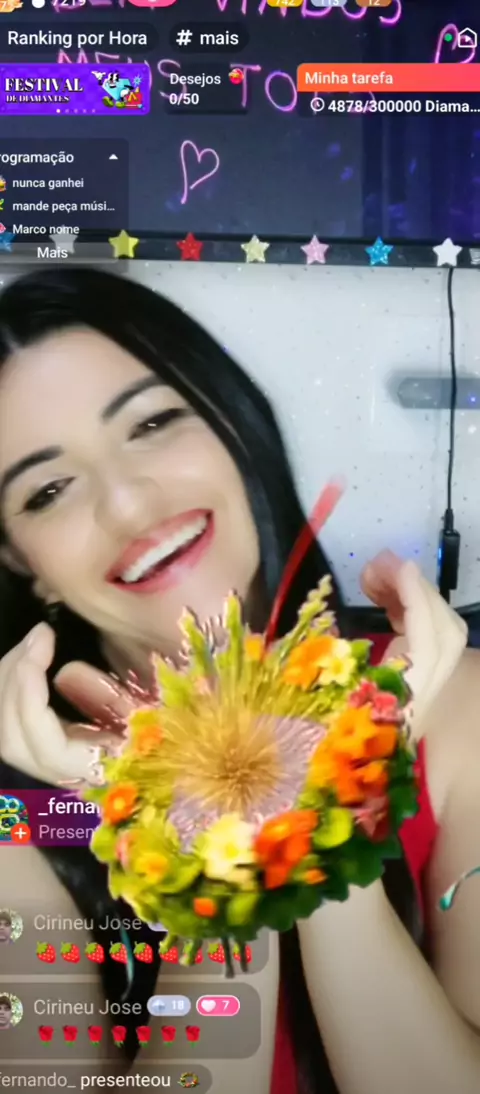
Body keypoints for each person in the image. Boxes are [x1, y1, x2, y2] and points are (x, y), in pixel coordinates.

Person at [0, 267, 477, 1094]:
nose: (130, 504)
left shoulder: (454, 704)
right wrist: (199, 836)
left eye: (152, 423)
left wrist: (324, 805)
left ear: (233, 424)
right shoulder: (17, 809)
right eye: (49, 489)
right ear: (20, 562)